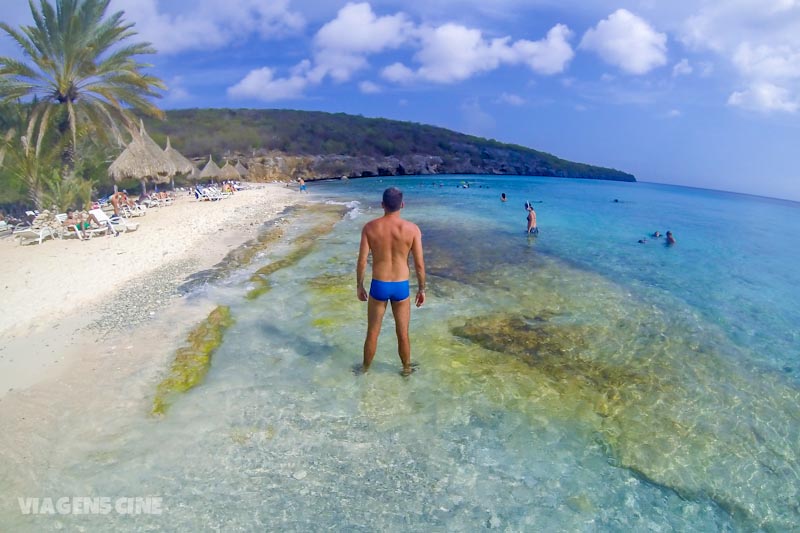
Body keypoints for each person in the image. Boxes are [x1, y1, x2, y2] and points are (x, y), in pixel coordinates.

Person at [357, 187, 426, 375]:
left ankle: (365, 370)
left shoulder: (370, 228)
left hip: (379, 284)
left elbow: (362, 260)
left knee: (372, 332)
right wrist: (421, 289)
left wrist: (359, 285)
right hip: (401, 286)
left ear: (382, 205)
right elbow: (419, 264)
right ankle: (406, 369)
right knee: (402, 333)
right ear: (402, 205)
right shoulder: (412, 229)